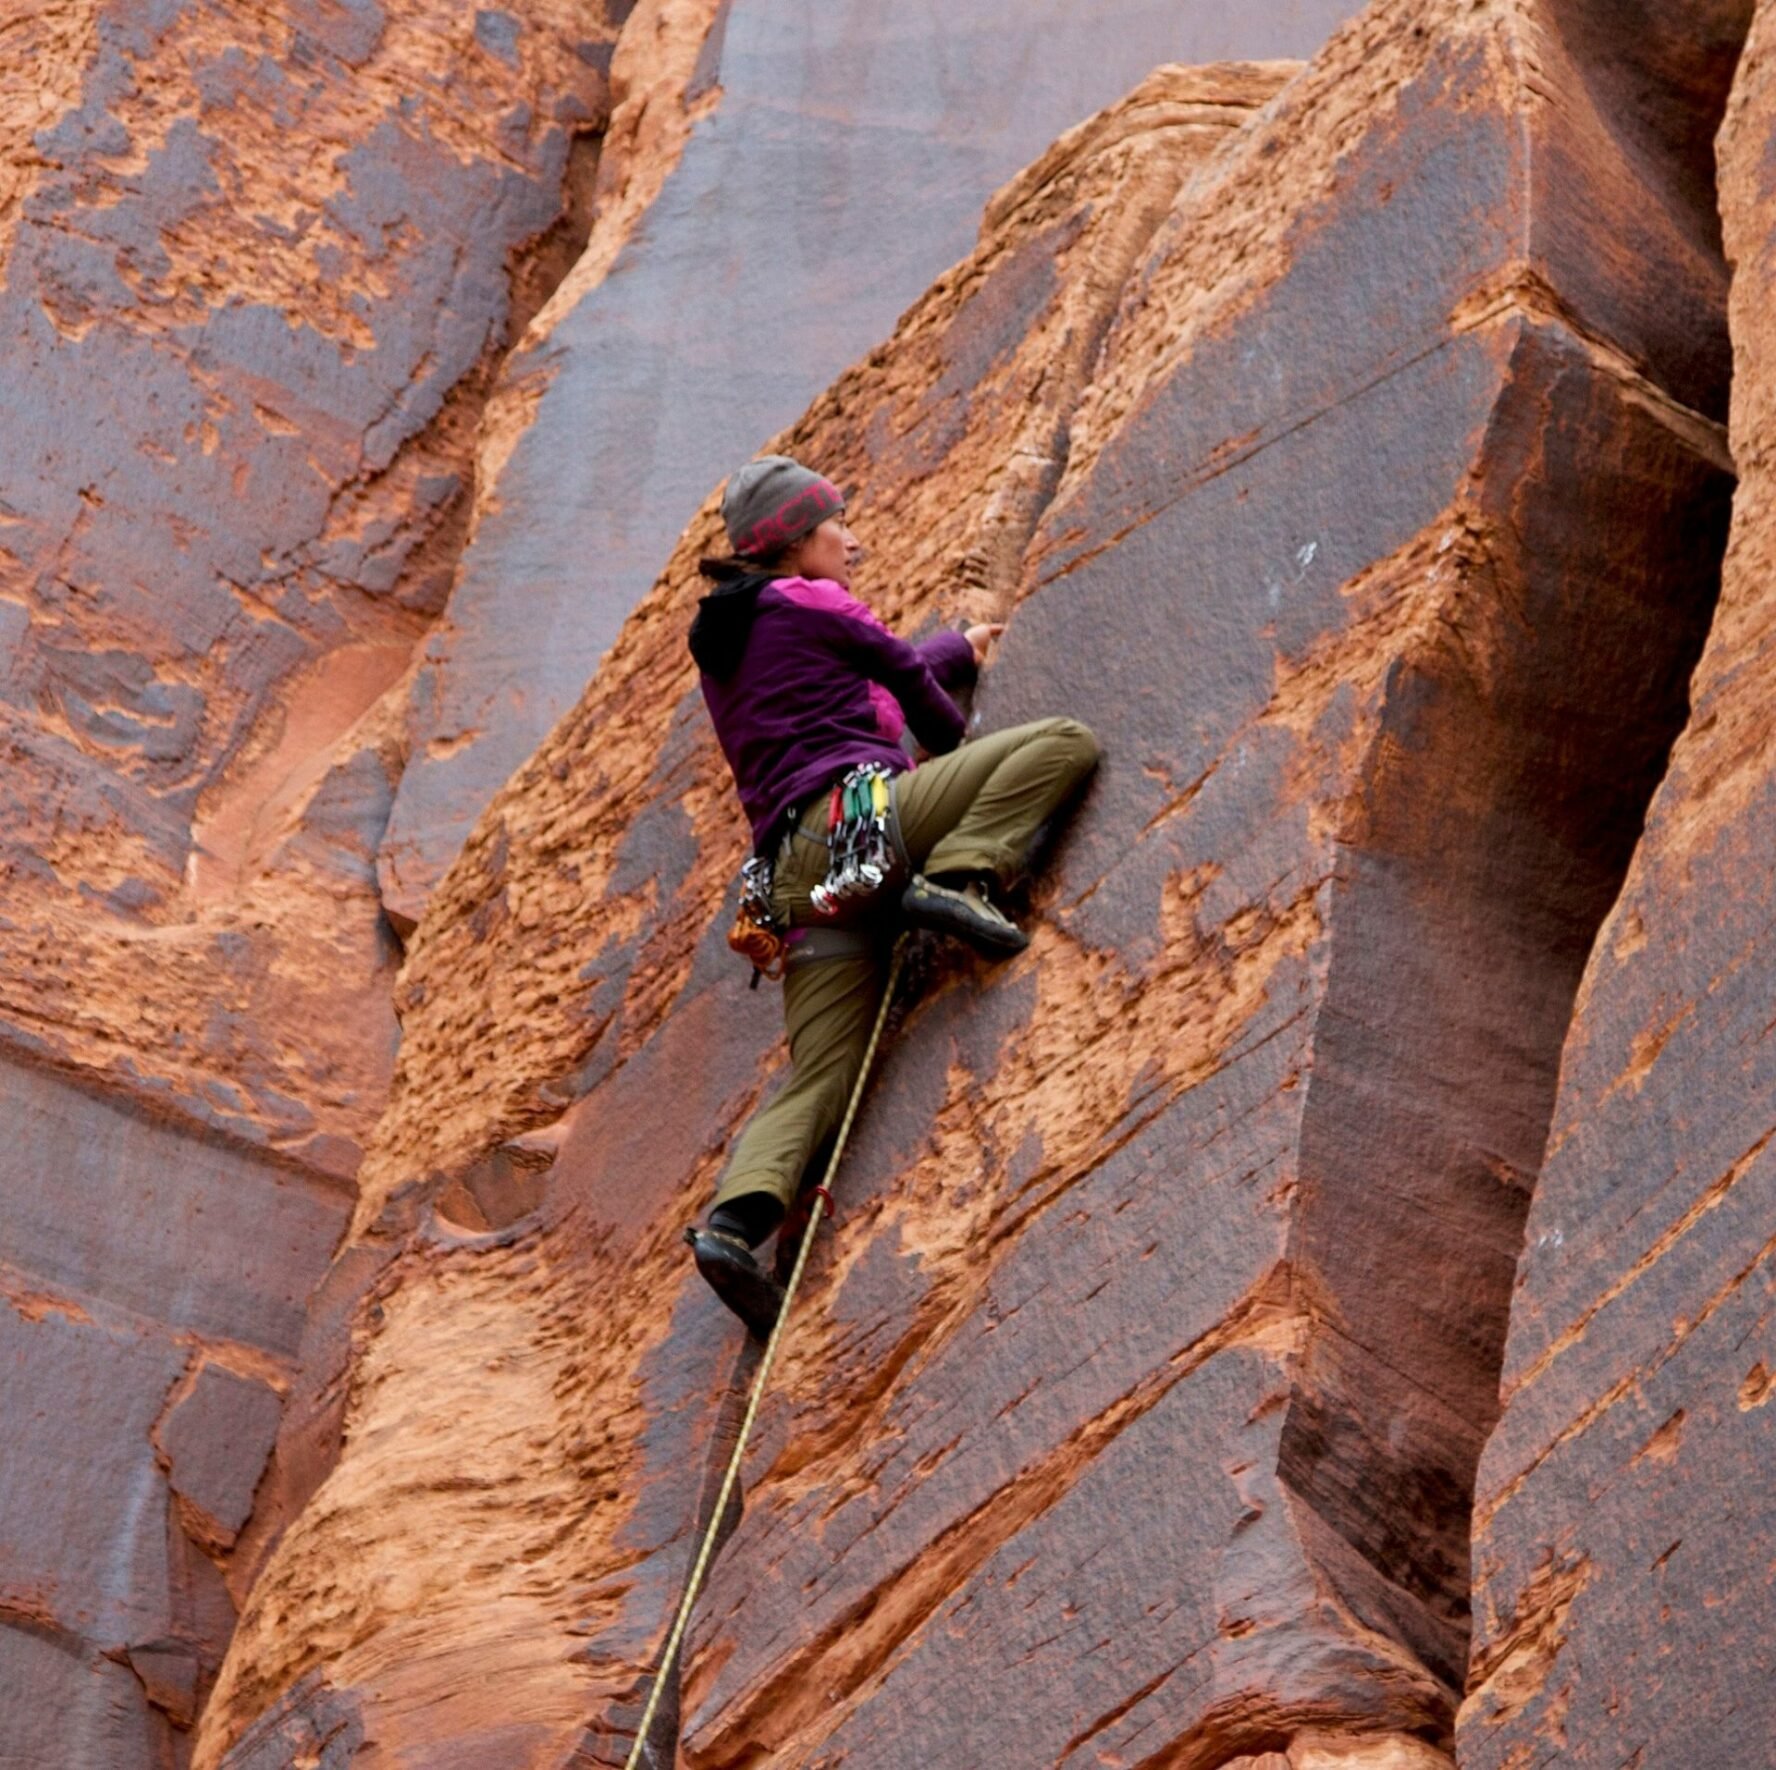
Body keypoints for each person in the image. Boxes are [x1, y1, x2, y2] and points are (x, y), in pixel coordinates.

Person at [685, 454, 1100, 1336]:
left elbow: (858, 677)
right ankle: (960, 881)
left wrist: (955, 648)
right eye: (838, 524)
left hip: (789, 884)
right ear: (795, 540)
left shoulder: (730, 641)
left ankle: (732, 1227)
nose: (854, 539)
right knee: (1061, 743)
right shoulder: (814, 600)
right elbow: (905, 687)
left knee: (819, 1075)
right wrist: (961, 748)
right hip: (859, 821)